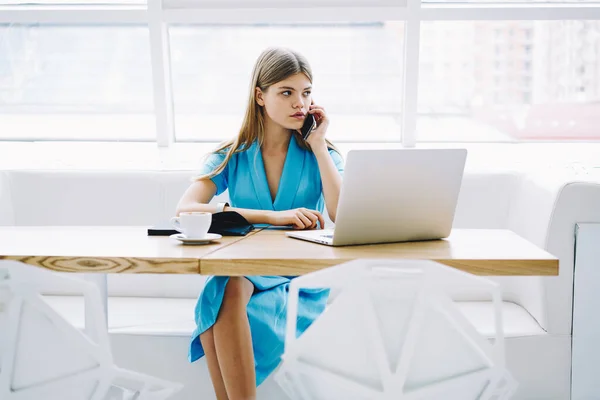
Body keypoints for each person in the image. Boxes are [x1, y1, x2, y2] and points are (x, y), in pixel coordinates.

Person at [175, 47, 344, 400]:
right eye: (287, 92)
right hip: (244, 270)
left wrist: (317, 146)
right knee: (227, 285)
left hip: (301, 275)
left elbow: (341, 214)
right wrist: (271, 217)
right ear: (260, 96)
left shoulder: (322, 153)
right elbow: (187, 209)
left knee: (223, 291)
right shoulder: (232, 155)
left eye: (306, 92)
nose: (300, 103)